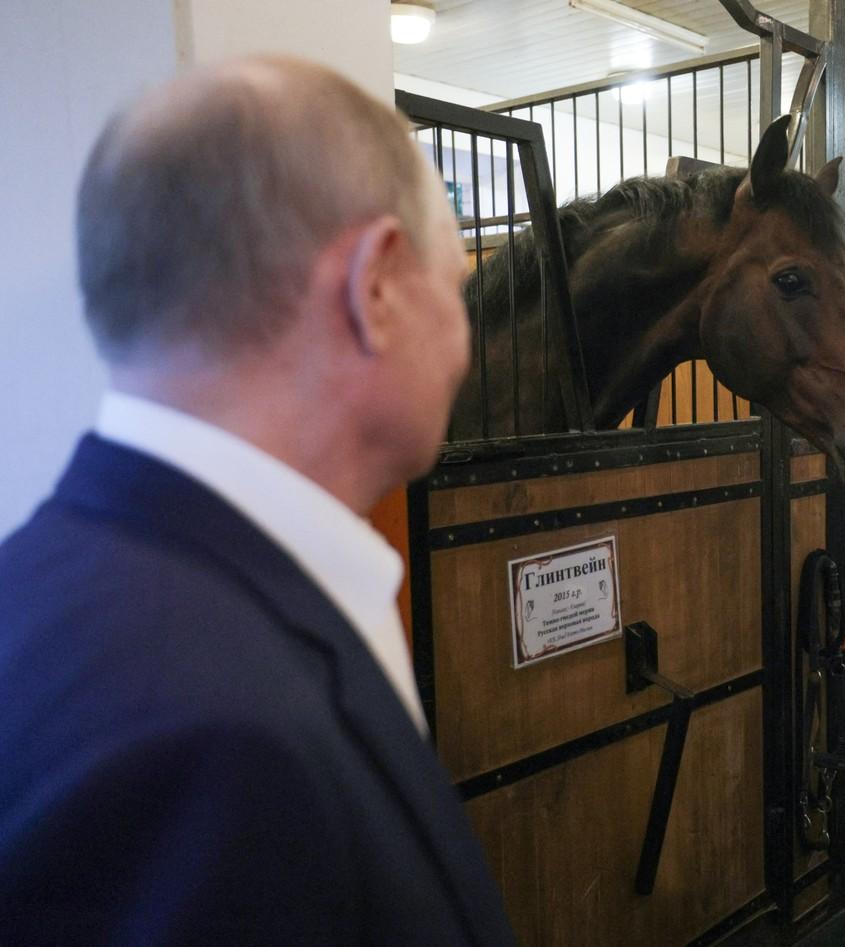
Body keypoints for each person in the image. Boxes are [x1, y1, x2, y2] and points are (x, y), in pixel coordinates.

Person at [0, 57, 513, 945]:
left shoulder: (38, 589)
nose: (467, 340)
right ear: (378, 288)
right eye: (461, 287)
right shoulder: (223, 747)